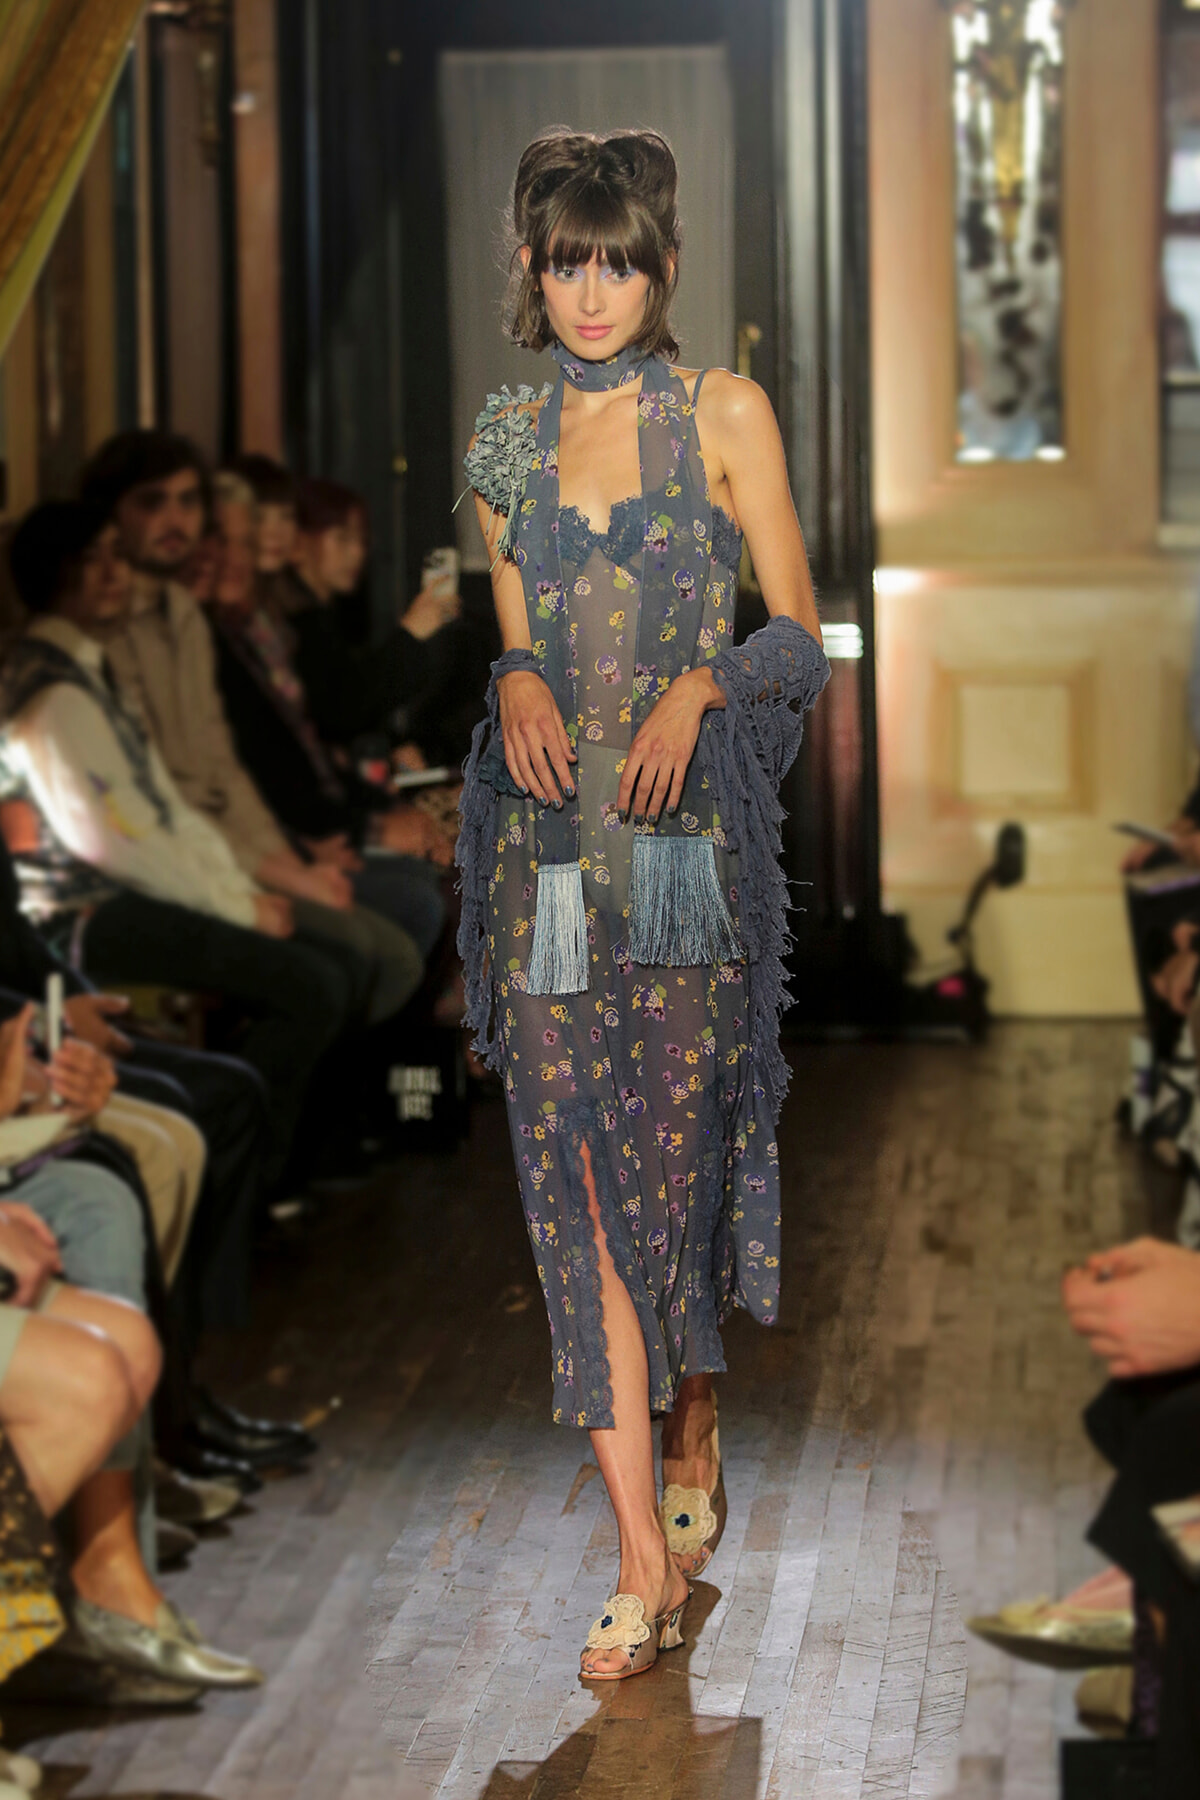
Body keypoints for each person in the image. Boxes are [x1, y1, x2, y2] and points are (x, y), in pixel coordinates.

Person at [457, 129, 828, 1680]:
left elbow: (801, 636)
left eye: (617, 260)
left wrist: (706, 675)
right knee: (580, 1208)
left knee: (672, 1186)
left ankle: (695, 1405)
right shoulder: (502, 439)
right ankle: (633, 1566)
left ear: (662, 266)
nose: (592, 289)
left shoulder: (722, 412)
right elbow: (512, 629)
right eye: (565, 260)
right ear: (534, 275)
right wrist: (517, 661)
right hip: (544, 868)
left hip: (683, 868)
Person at [0, 501, 360, 1188]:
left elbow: (164, 808)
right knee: (310, 985)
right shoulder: (52, 693)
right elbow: (116, 845)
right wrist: (237, 909)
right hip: (83, 918)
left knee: (329, 965)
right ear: (54, 575)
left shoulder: (86, 669)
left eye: (116, 555)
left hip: (130, 894)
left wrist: (241, 890)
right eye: (91, 561)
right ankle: (246, 1184)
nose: (113, 574)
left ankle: (271, 1173)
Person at [78, 432, 425, 1027]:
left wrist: (291, 867)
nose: (176, 521)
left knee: (378, 944)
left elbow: (224, 774)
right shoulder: (108, 622)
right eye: (152, 502)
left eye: (189, 504)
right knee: (353, 959)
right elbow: (161, 804)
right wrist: (274, 876)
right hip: (138, 879)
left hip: (221, 853)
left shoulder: (184, 616)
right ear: (113, 515)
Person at [205, 473, 450, 962]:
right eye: (341, 537)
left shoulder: (267, 627)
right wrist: (362, 830)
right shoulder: (247, 634)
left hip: (312, 823)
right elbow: (331, 718)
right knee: (423, 891)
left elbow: (306, 751)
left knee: (442, 859)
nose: (271, 538)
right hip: (277, 842)